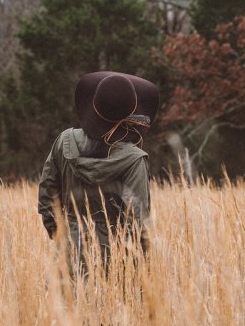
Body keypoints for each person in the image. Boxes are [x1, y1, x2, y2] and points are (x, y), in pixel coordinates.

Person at [38, 71, 158, 273]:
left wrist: (64, 237)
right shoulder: (135, 159)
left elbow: (47, 199)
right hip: (115, 263)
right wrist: (137, 272)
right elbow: (138, 224)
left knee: (68, 305)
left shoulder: (64, 141)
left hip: (67, 256)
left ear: (94, 105)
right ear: (128, 114)